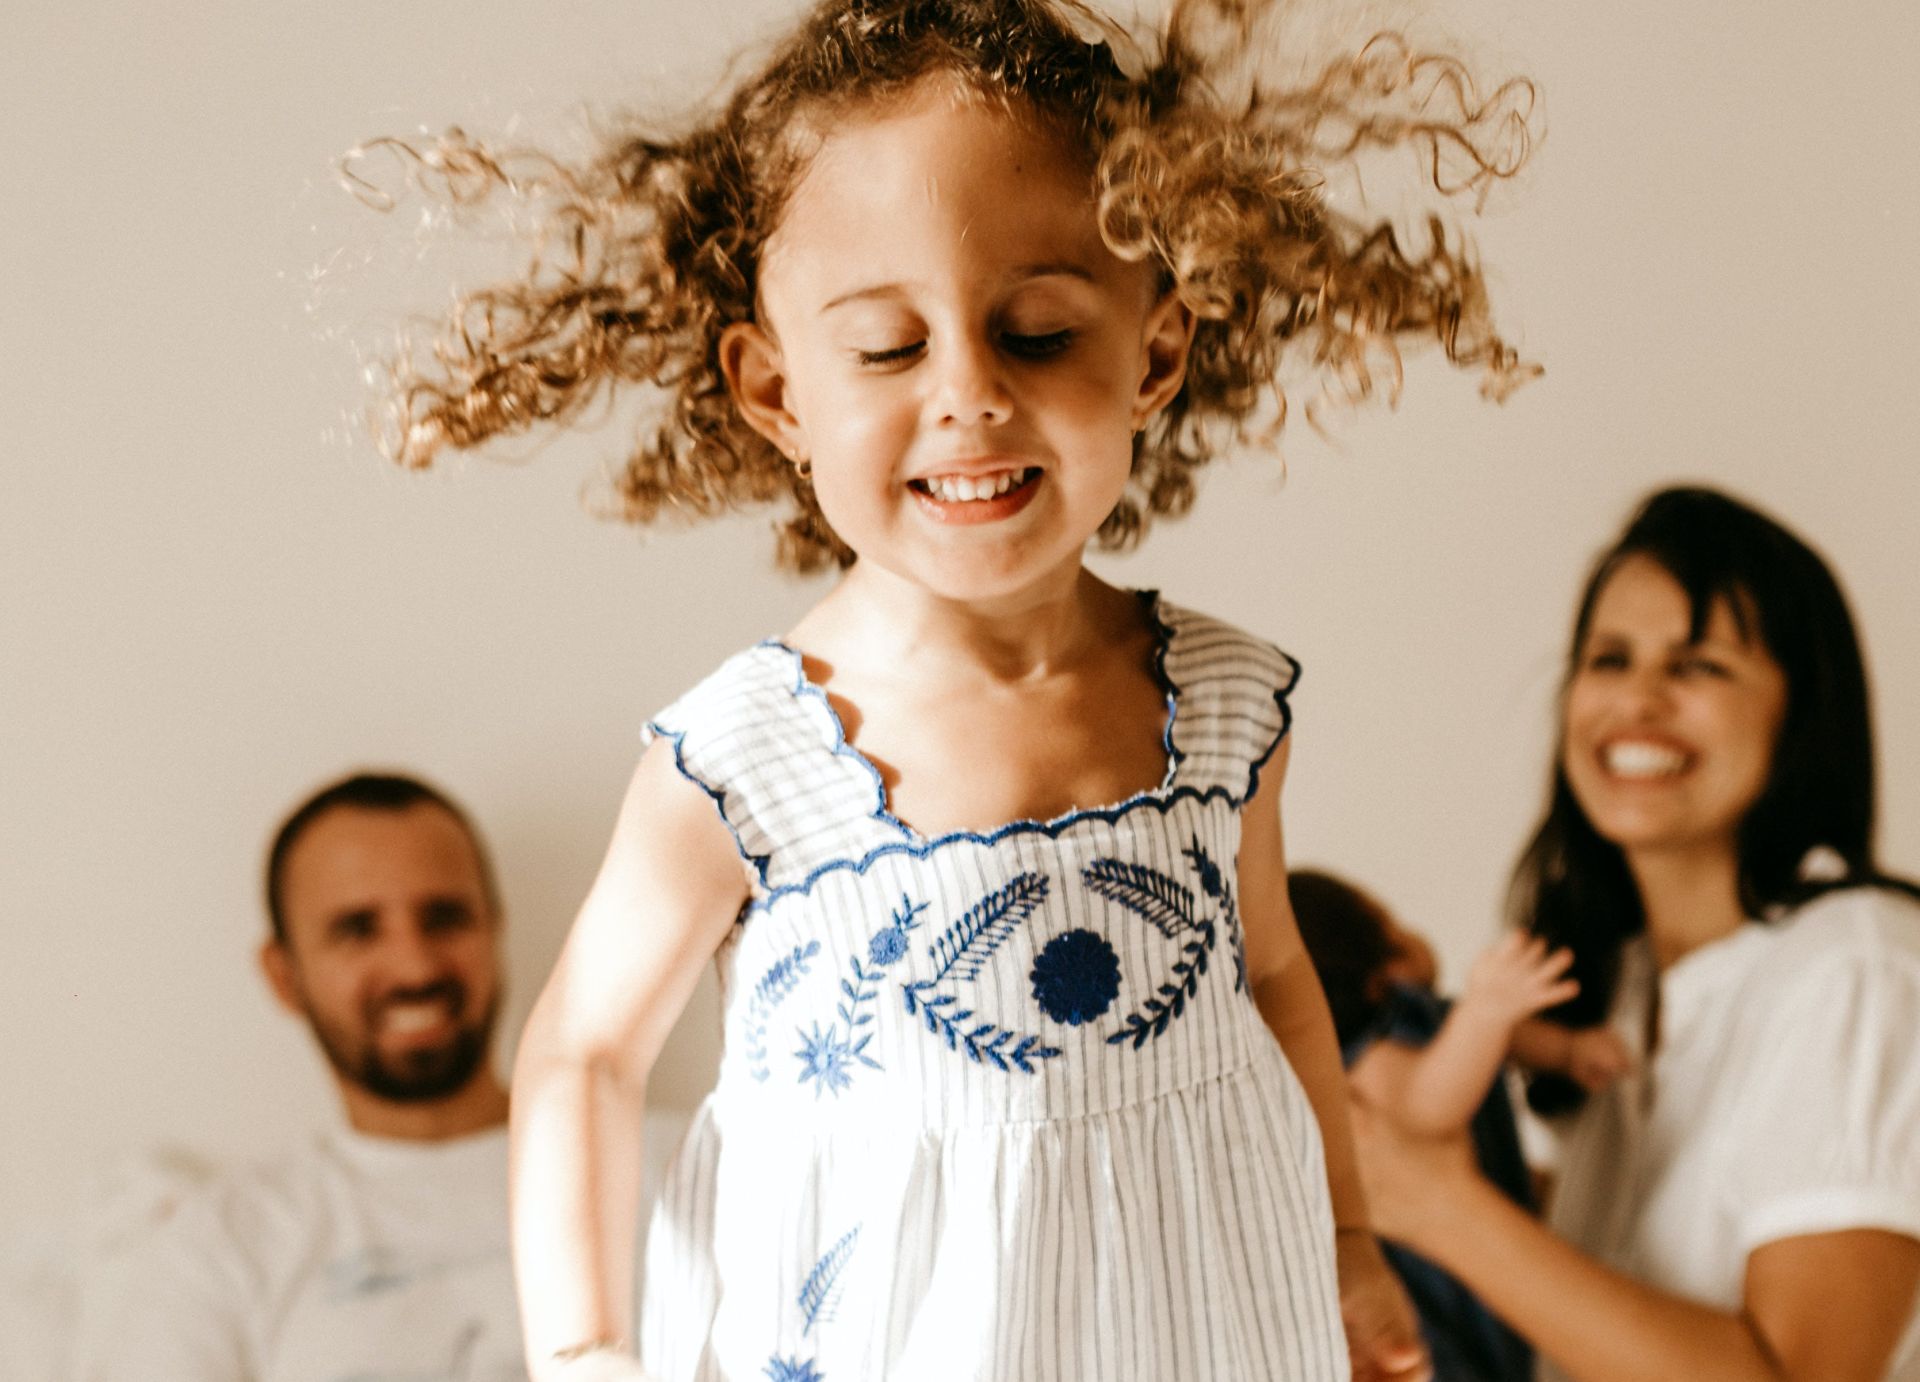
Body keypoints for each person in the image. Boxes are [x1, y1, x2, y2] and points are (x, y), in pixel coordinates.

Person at [361, 2, 1539, 1376]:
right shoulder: (747, 760)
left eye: (1037, 331)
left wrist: (1344, 1242)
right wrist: (582, 1353)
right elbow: (583, 1055)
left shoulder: (1222, 706)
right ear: (776, 390)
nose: (968, 393)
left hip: (1205, 1328)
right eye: (886, 348)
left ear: (1156, 351)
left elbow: (1273, 977)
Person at [1351, 486, 1920, 1380]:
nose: (1638, 701)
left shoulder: (1858, 965)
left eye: (1698, 666)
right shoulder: (1622, 987)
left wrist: (1440, 1206)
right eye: (1609, 659)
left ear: (1800, 714)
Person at [70, 771, 526, 1381]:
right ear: (285, 977)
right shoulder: (221, 1245)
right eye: (358, 929)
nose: (414, 966)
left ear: (493, 930)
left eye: (444, 917)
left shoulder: (683, 1163)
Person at [1290, 867, 1631, 1380]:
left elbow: (1508, 1040)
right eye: (1390, 923)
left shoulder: (1436, 1015)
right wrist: (1487, 1011)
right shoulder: (1373, 1059)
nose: (1413, 935)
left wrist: (1563, 1051)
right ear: (1381, 967)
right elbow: (1430, 1105)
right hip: (1442, 1283)